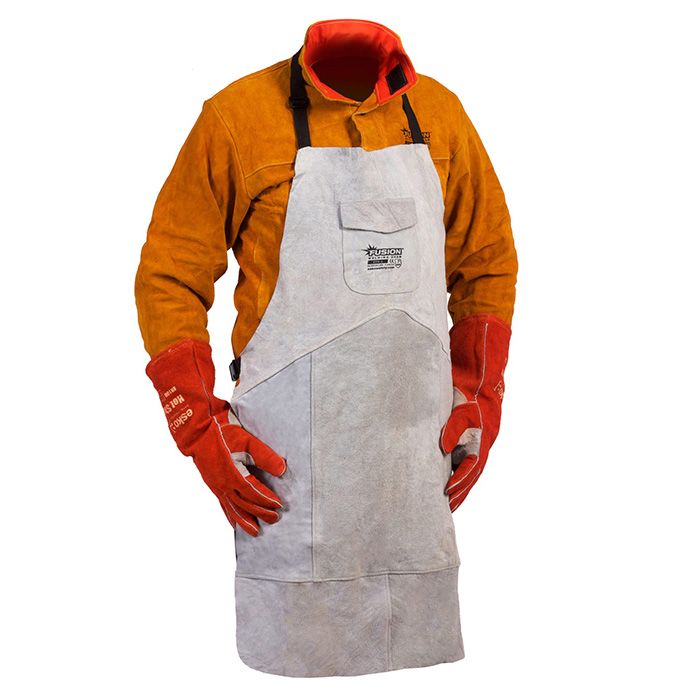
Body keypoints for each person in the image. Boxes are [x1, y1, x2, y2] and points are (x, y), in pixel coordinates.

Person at [135, 17, 517, 678]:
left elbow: (486, 262)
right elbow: (169, 275)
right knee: (289, 654)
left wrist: (482, 395)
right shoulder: (237, 119)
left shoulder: (442, 117)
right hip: (289, 478)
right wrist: (197, 421)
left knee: (418, 650)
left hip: (413, 476)